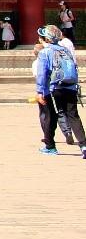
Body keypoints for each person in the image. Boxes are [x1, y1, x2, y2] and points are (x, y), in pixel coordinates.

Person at [34, 24, 84, 157]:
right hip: (70, 86)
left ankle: (50, 146)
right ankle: (84, 146)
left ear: (47, 38)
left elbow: (42, 74)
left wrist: (40, 92)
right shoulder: (65, 50)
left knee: (51, 116)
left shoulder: (45, 52)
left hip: (54, 88)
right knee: (73, 116)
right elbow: (74, 67)